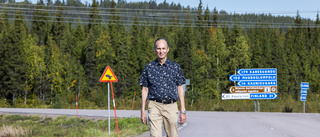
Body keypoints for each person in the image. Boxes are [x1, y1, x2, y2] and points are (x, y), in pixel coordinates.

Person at [138, 38, 186, 137]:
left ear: (168, 49)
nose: (161, 51)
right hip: (154, 105)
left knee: (173, 135)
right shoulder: (148, 68)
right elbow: (145, 89)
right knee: (155, 135)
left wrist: (183, 111)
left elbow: (180, 88)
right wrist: (142, 111)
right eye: (159, 48)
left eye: (163, 48)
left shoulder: (175, 67)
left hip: (171, 106)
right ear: (155, 49)